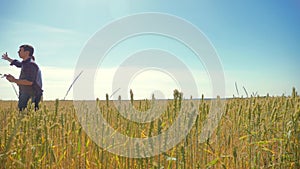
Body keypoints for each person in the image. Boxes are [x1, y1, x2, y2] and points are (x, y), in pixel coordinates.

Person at [1, 44, 43, 111]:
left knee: (28, 116)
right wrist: (8, 58)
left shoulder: (31, 64)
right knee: (24, 116)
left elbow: (29, 82)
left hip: (32, 95)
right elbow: (18, 64)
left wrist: (14, 80)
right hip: (26, 93)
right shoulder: (26, 63)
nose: (18, 52)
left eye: (20, 50)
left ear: (27, 52)